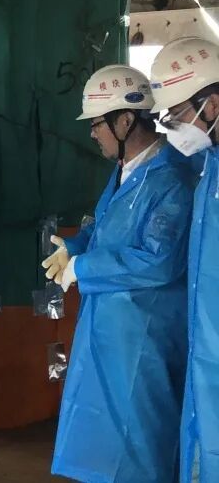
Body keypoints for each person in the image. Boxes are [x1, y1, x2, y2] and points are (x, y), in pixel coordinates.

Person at [42, 64, 193, 483]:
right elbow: (108, 227)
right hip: (111, 325)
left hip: (144, 334)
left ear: (125, 120)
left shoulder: (172, 179)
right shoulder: (127, 169)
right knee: (103, 439)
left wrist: (84, 267)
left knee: (140, 440)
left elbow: (159, 260)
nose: (93, 134)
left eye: (96, 124)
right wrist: (76, 246)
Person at [149, 37, 219, 483]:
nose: (171, 128)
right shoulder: (208, 164)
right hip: (207, 354)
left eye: (175, 116)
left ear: (211, 105)